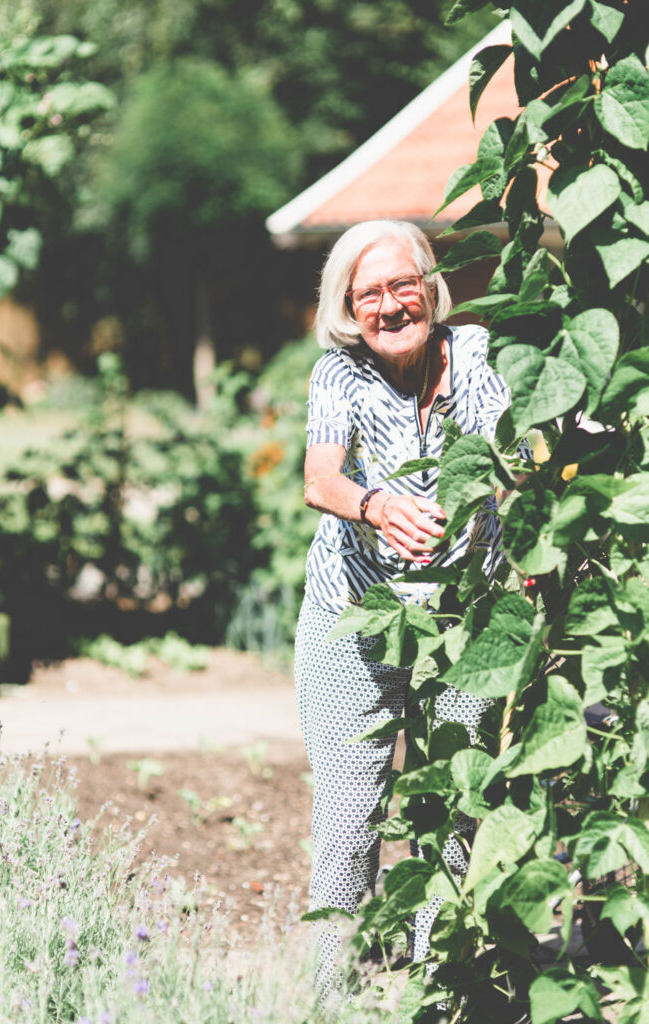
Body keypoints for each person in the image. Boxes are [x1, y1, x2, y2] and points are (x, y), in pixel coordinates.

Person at [295, 219, 514, 993]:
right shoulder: (339, 374)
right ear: (347, 309)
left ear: (429, 287)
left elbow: (514, 446)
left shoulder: (478, 353)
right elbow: (321, 478)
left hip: (466, 620)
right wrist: (377, 505)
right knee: (350, 812)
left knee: (453, 806)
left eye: (402, 286)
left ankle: (436, 989)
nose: (389, 306)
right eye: (368, 295)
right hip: (357, 614)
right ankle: (328, 995)